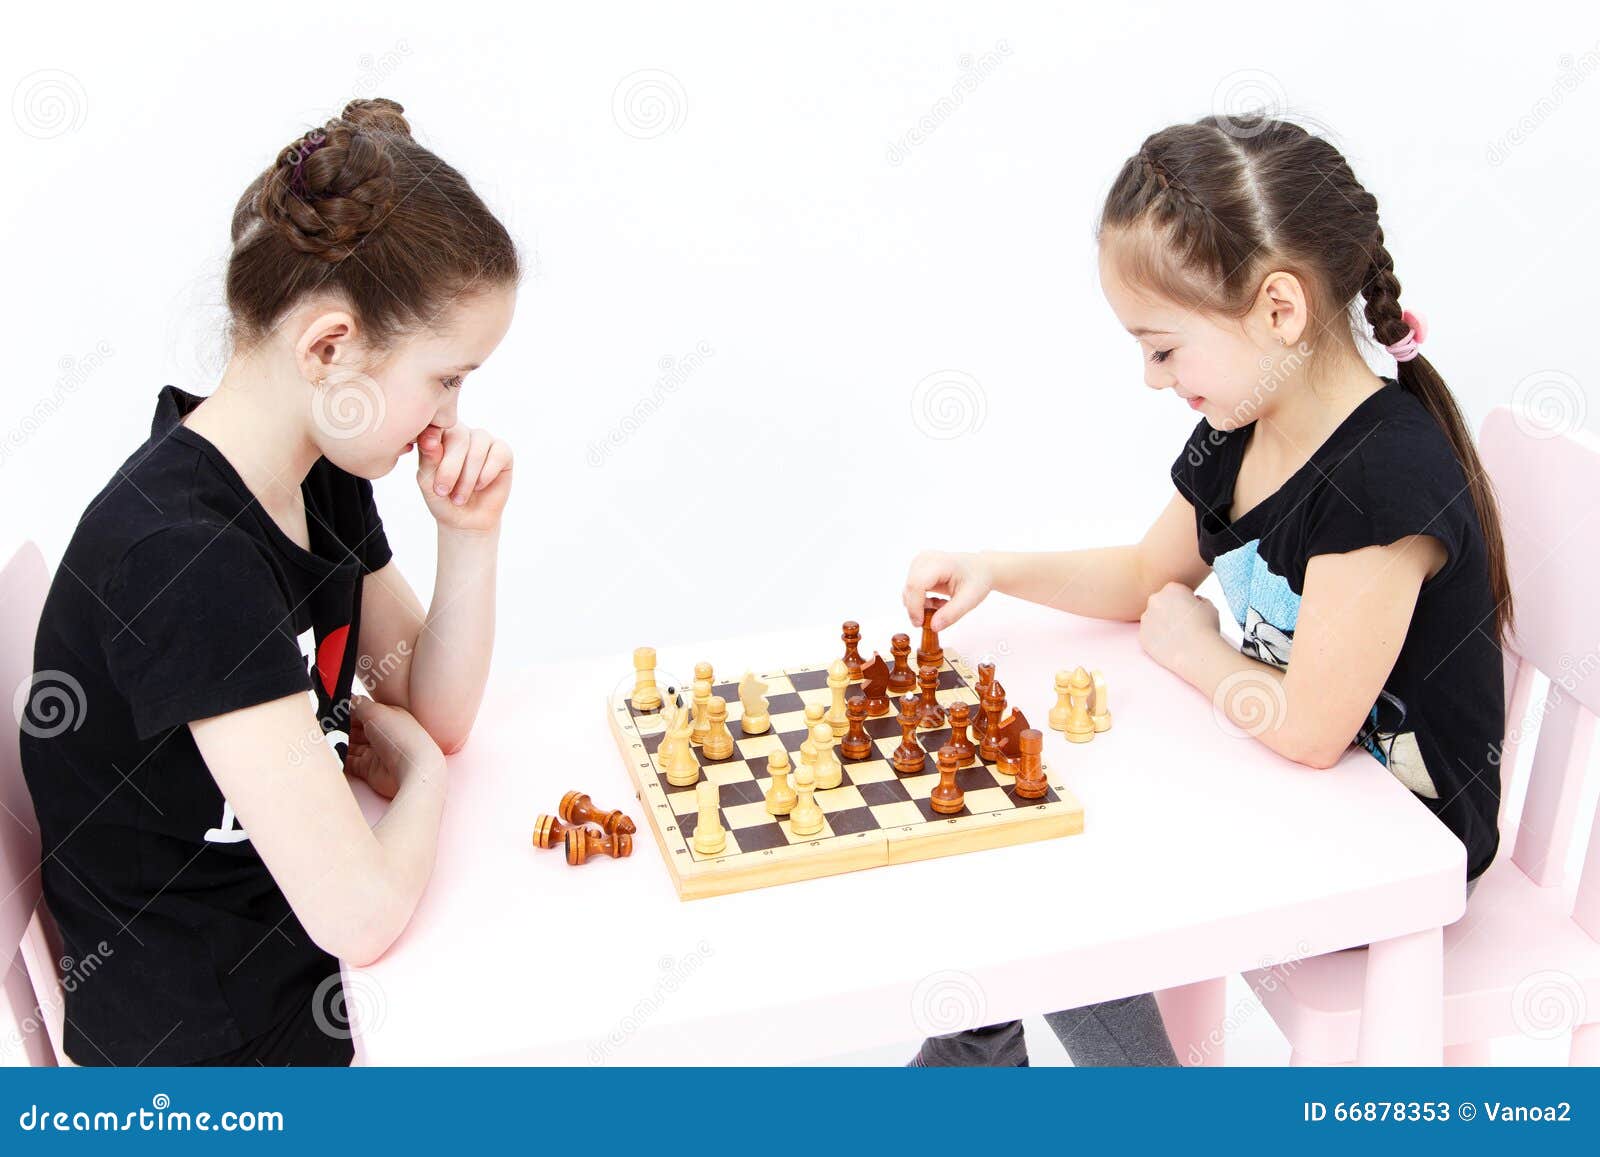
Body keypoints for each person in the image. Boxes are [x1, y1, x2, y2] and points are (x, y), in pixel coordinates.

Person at [904, 114, 1509, 1067]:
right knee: (1023, 822)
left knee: (1072, 872)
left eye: (1164, 348)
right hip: (1295, 779)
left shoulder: (1382, 480)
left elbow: (1312, 728)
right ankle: (988, 1066)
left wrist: (1192, 647)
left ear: (1278, 309)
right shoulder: (1245, 427)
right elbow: (1151, 575)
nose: (1152, 380)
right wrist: (1001, 569)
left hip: (1397, 841)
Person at [19, 97, 520, 1065]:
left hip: (289, 968)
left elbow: (431, 700)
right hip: (212, 1057)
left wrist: (470, 535)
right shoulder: (182, 558)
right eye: (446, 378)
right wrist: (415, 774)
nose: (446, 419)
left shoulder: (312, 471)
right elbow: (362, 911)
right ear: (329, 349)